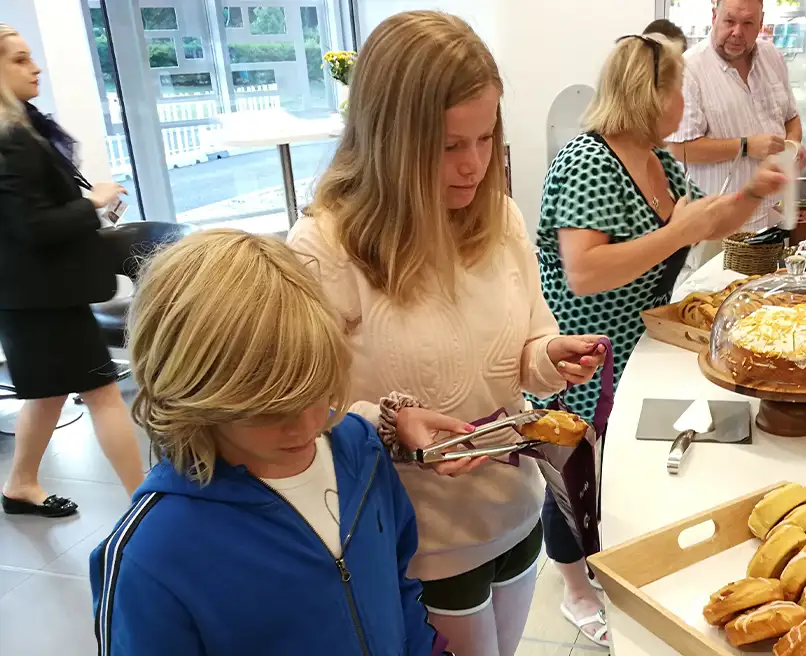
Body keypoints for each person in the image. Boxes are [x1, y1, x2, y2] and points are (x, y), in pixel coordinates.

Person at [288, 12, 605, 656]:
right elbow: (297, 417)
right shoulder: (326, 249)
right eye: (447, 146)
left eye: (486, 139)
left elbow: (524, 347)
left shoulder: (499, 218)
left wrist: (552, 356)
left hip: (514, 509)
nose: (474, 166)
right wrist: (387, 422)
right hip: (419, 535)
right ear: (388, 140)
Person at [88, 230, 452, 656]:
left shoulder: (362, 450)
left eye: (315, 391)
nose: (304, 424)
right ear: (190, 390)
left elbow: (398, 584)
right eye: (266, 408)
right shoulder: (151, 556)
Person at [532, 33, 786, 644]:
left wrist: (751, 193)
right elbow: (585, 272)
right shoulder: (587, 163)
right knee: (576, 475)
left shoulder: (659, 162)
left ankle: (606, 561)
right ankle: (573, 587)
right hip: (584, 359)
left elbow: (700, 220)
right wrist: (678, 235)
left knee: (613, 472)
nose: (685, 100)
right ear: (652, 95)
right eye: (679, 88)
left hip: (636, 347)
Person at [0, 24, 143, 517]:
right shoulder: (11, 138)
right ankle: (145, 503)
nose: (34, 66)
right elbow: (32, 225)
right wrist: (95, 204)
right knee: (103, 394)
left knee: (47, 393)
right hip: (39, 297)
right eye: (19, 59)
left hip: (34, 294)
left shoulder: (22, 127)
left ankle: (20, 484)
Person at [668, 0, 806, 271]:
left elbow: (791, 117)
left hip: (774, 221)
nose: (737, 33)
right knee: (719, 305)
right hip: (721, 228)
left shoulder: (772, 56)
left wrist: (792, 145)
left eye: (748, 23)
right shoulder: (690, 69)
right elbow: (680, 148)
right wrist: (745, 146)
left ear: (761, 21)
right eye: (729, 21)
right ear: (714, 15)